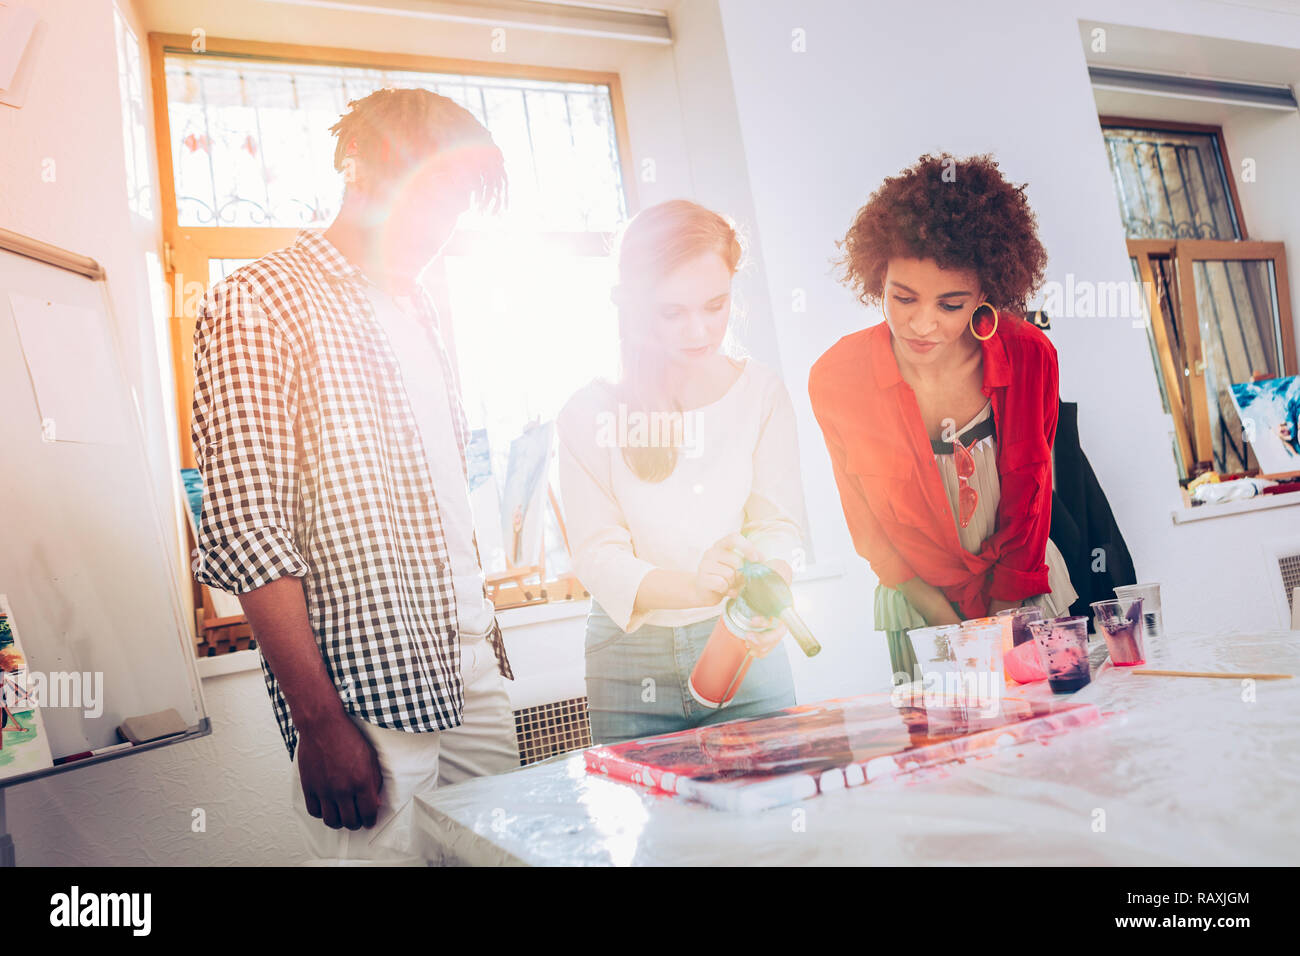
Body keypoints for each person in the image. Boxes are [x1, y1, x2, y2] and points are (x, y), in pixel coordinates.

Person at [192, 88, 518, 865]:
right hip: (366, 690)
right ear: (357, 169)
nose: (436, 228)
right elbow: (245, 531)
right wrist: (318, 722)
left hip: (471, 663)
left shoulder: (421, 311)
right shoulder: (258, 300)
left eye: (455, 206)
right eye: (423, 196)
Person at [808, 153, 1077, 683]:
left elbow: (1032, 498)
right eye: (901, 297)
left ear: (986, 294)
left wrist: (1000, 622)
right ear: (877, 277)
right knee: (948, 762)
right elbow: (868, 528)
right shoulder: (837, 376)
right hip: (920, 612)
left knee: (1061, 752)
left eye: (951, 305)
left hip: (1024, 595)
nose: (921, 324)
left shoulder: (1028, 355)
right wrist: (950, 627)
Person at [557, 200, 809, 744]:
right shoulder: (589, 411)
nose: (699, 330)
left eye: (716, 305)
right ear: (633, 307)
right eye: (672, 312)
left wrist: (774, 590)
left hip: (740, 640)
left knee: (770, 819)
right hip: (628, 659)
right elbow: (598, 556)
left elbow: (778, 526)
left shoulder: (761, 392)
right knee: (653, 826)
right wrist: (696, 585)